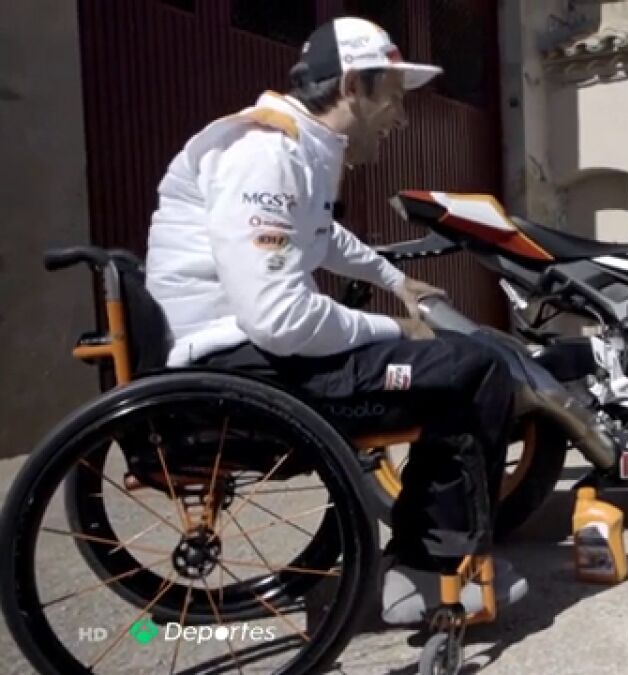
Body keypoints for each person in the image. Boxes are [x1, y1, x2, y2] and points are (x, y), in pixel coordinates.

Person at [144, 16, 526, 625]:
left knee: (456, 363)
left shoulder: (298, 147)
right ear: (352, 86)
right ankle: (428, 573)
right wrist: (397, 328)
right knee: (475, 370)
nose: (402, 117)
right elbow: (280, 320)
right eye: (393, 97)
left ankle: (427, 558)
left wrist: (395, 281)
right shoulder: (264, 154)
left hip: (244, 351)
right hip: (239, 366)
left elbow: (322, 234)